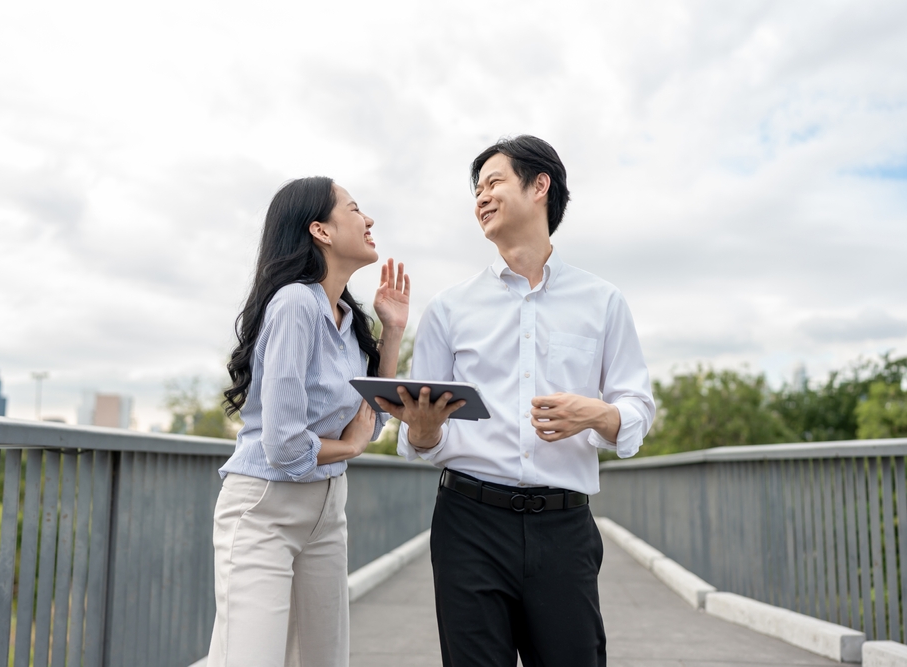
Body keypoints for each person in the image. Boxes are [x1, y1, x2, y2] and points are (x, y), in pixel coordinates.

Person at [377, 136, 655, 667]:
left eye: (494, 182)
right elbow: (419, 436)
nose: (481, 197)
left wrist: (597, 414)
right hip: (468, 524)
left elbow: (637, 404)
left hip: (564, 527)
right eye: (476, 189)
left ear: (540, 186)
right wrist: (424, 430)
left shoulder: (602, 301)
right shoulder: (448, 309)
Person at [209, 176, 409, 667]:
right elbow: (284, 445)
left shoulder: (345, 317)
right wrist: (350, 448)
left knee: (325, 660)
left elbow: (371, 418)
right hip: (266, 508)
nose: (369, 220)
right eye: (356, 209)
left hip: (327, 511)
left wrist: (392, 334)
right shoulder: (295, 303)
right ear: (320, 230)